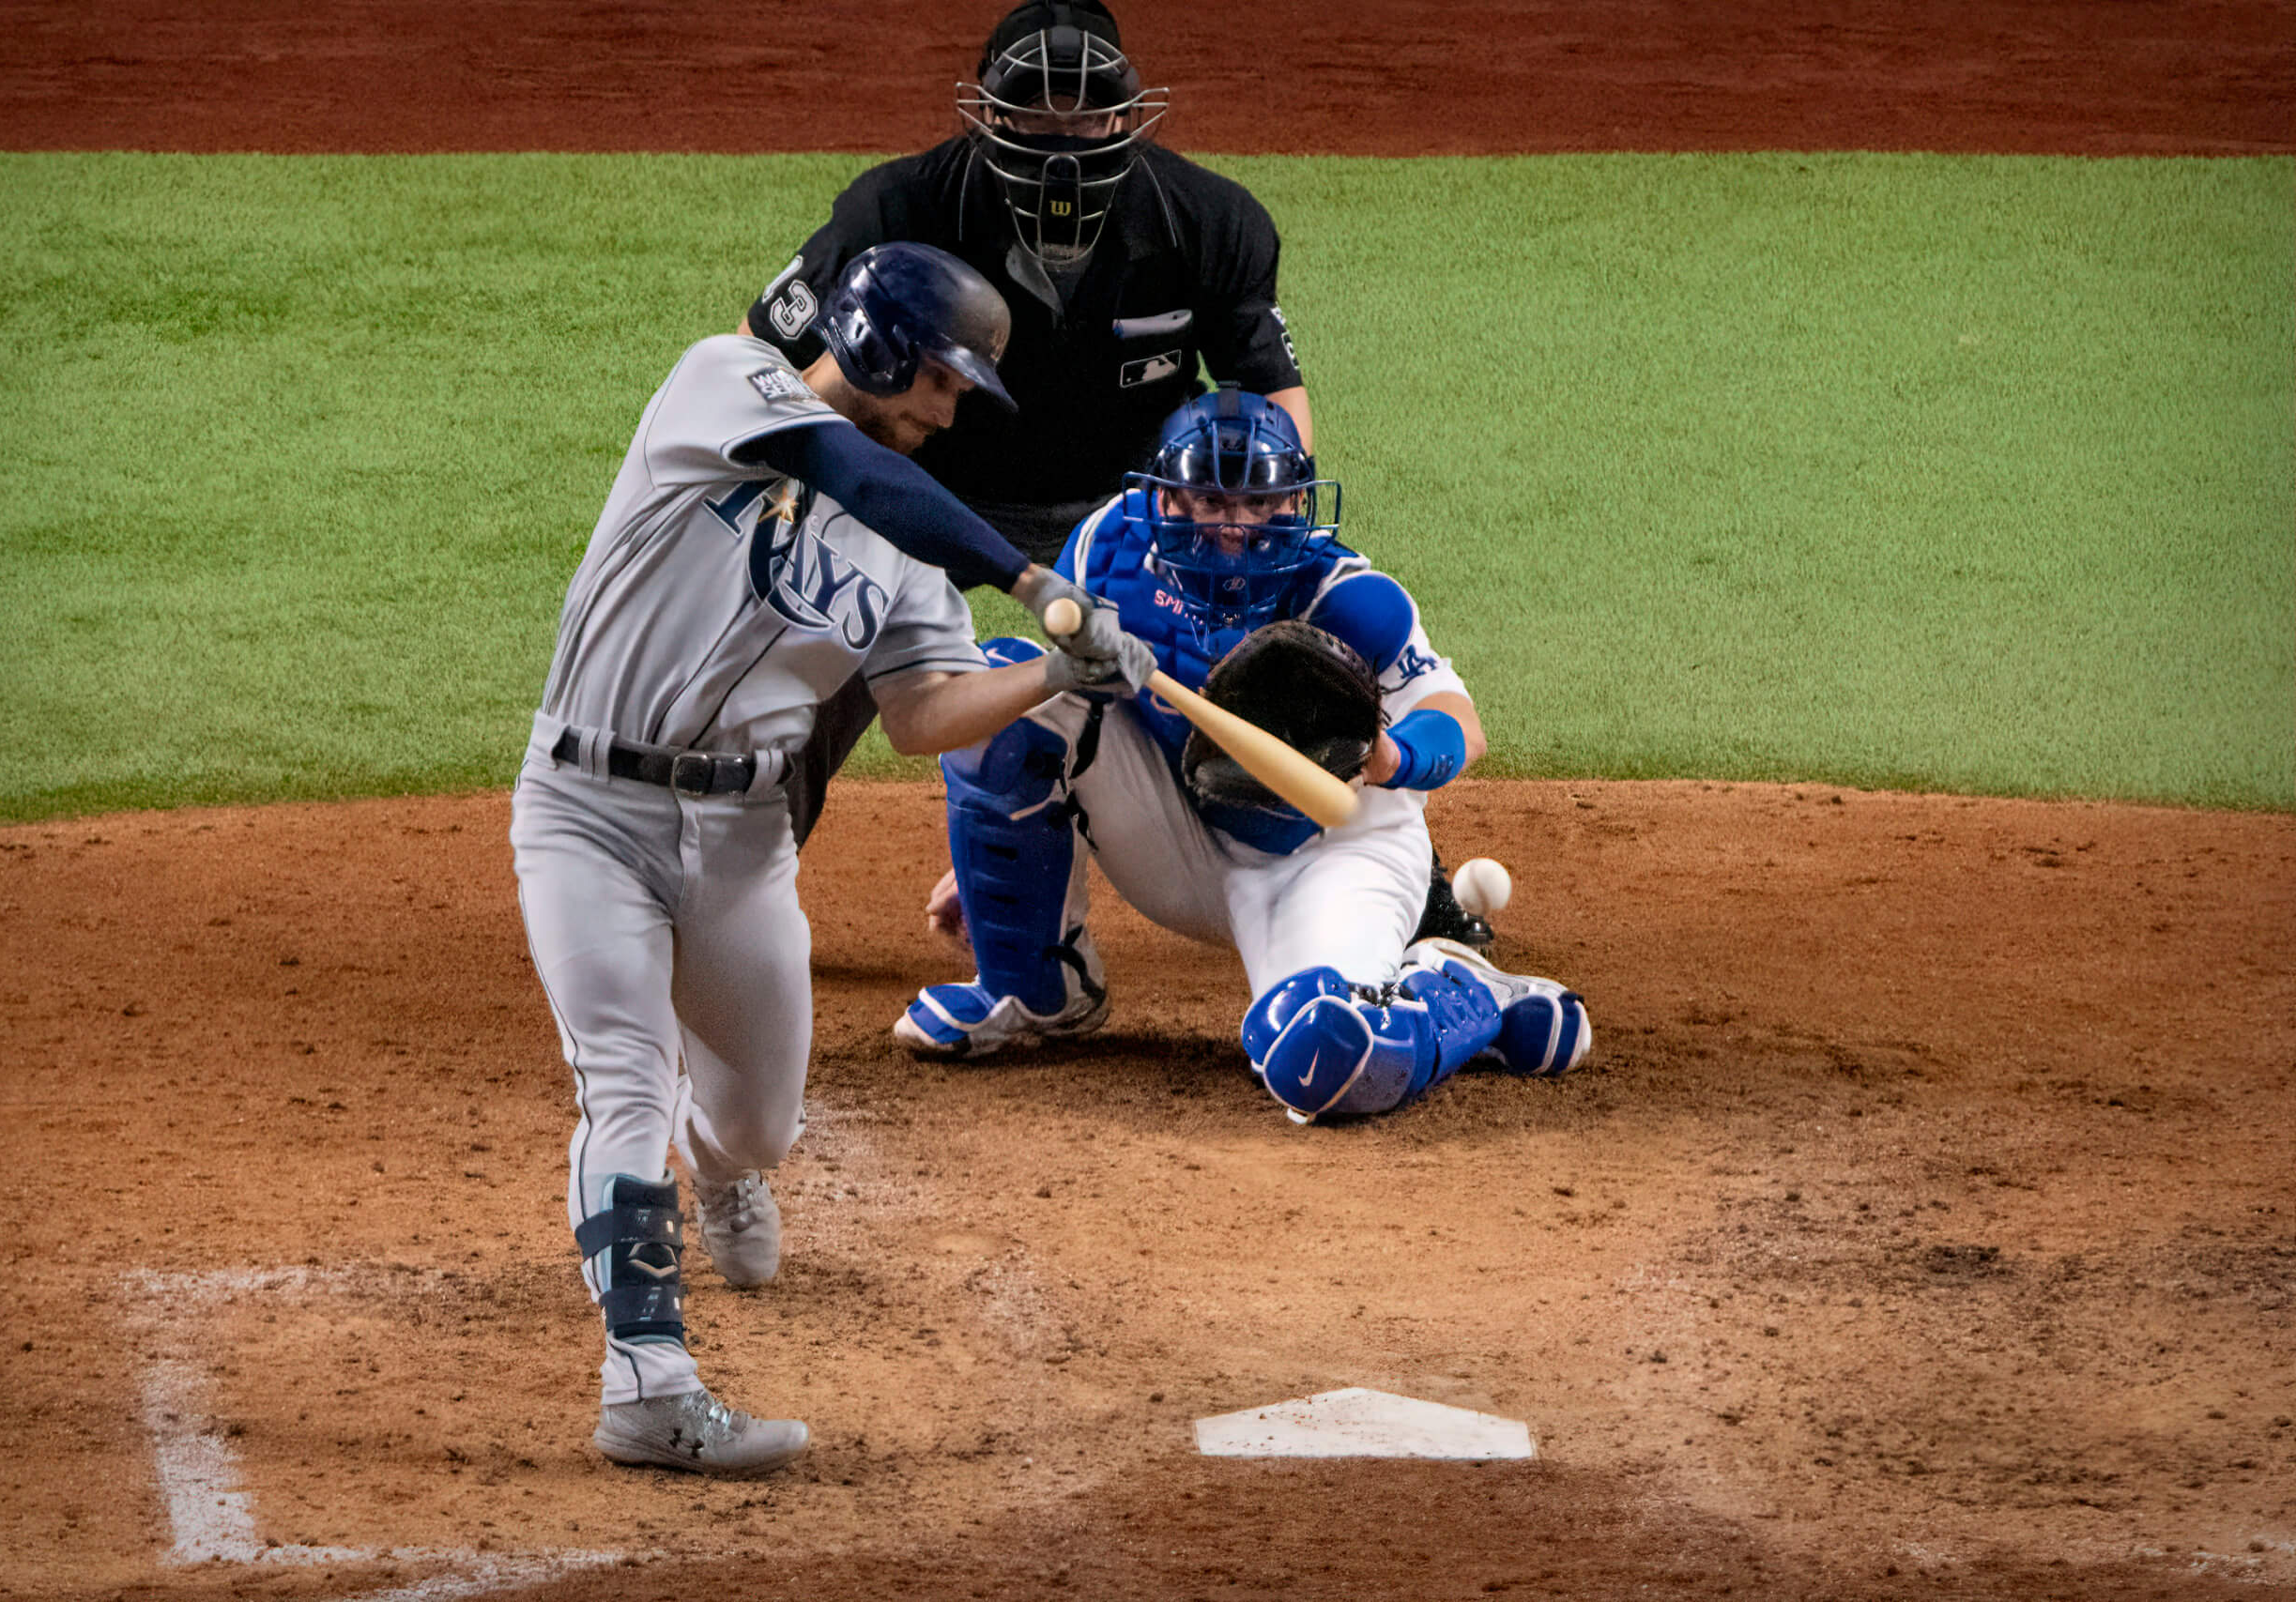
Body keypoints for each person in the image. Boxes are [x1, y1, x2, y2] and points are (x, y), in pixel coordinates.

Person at [511, 241, 1149, 1474]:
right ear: (875, 344)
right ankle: (647, 1382)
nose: (948, 413)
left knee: (759, 1117)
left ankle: (725, 1163)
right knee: (624, 1081)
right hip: (586, 806)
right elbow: (836, 456)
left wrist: (1050, 670)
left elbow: (921, 717)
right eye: (943, 383)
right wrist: (1027, 575)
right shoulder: (722, 383)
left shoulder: (906, 552)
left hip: (743, 842)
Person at [742, 0, 1493, 949]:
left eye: (1087, 115)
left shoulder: (1206, 222)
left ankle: (1401, 880)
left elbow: (1273, 394)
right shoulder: (900, 209)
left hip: (1129, 511)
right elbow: (759, 356)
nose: (1063, 135)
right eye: (1034, 115)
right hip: (927, 491)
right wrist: (796, 506)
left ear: (1127, 117)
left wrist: (1266, 543)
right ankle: (746, 885)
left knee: (1284, 653)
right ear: (987, 114)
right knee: (816, 641)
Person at [891, 388, 1593, 1122]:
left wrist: (1395, 757)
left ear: (1294, 503)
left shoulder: (1346, 597)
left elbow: (1461, 723)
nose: (1233, 528)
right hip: (1179, 825)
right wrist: (1001, 839)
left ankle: (1460, 992)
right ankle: (1034, 988)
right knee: (1006, 689)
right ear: (1165, 498)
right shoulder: (1107, 550)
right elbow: (1078, 709)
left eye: (1258, 504)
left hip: (1329, 850)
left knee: (1327, 1062)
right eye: (1208, 501)